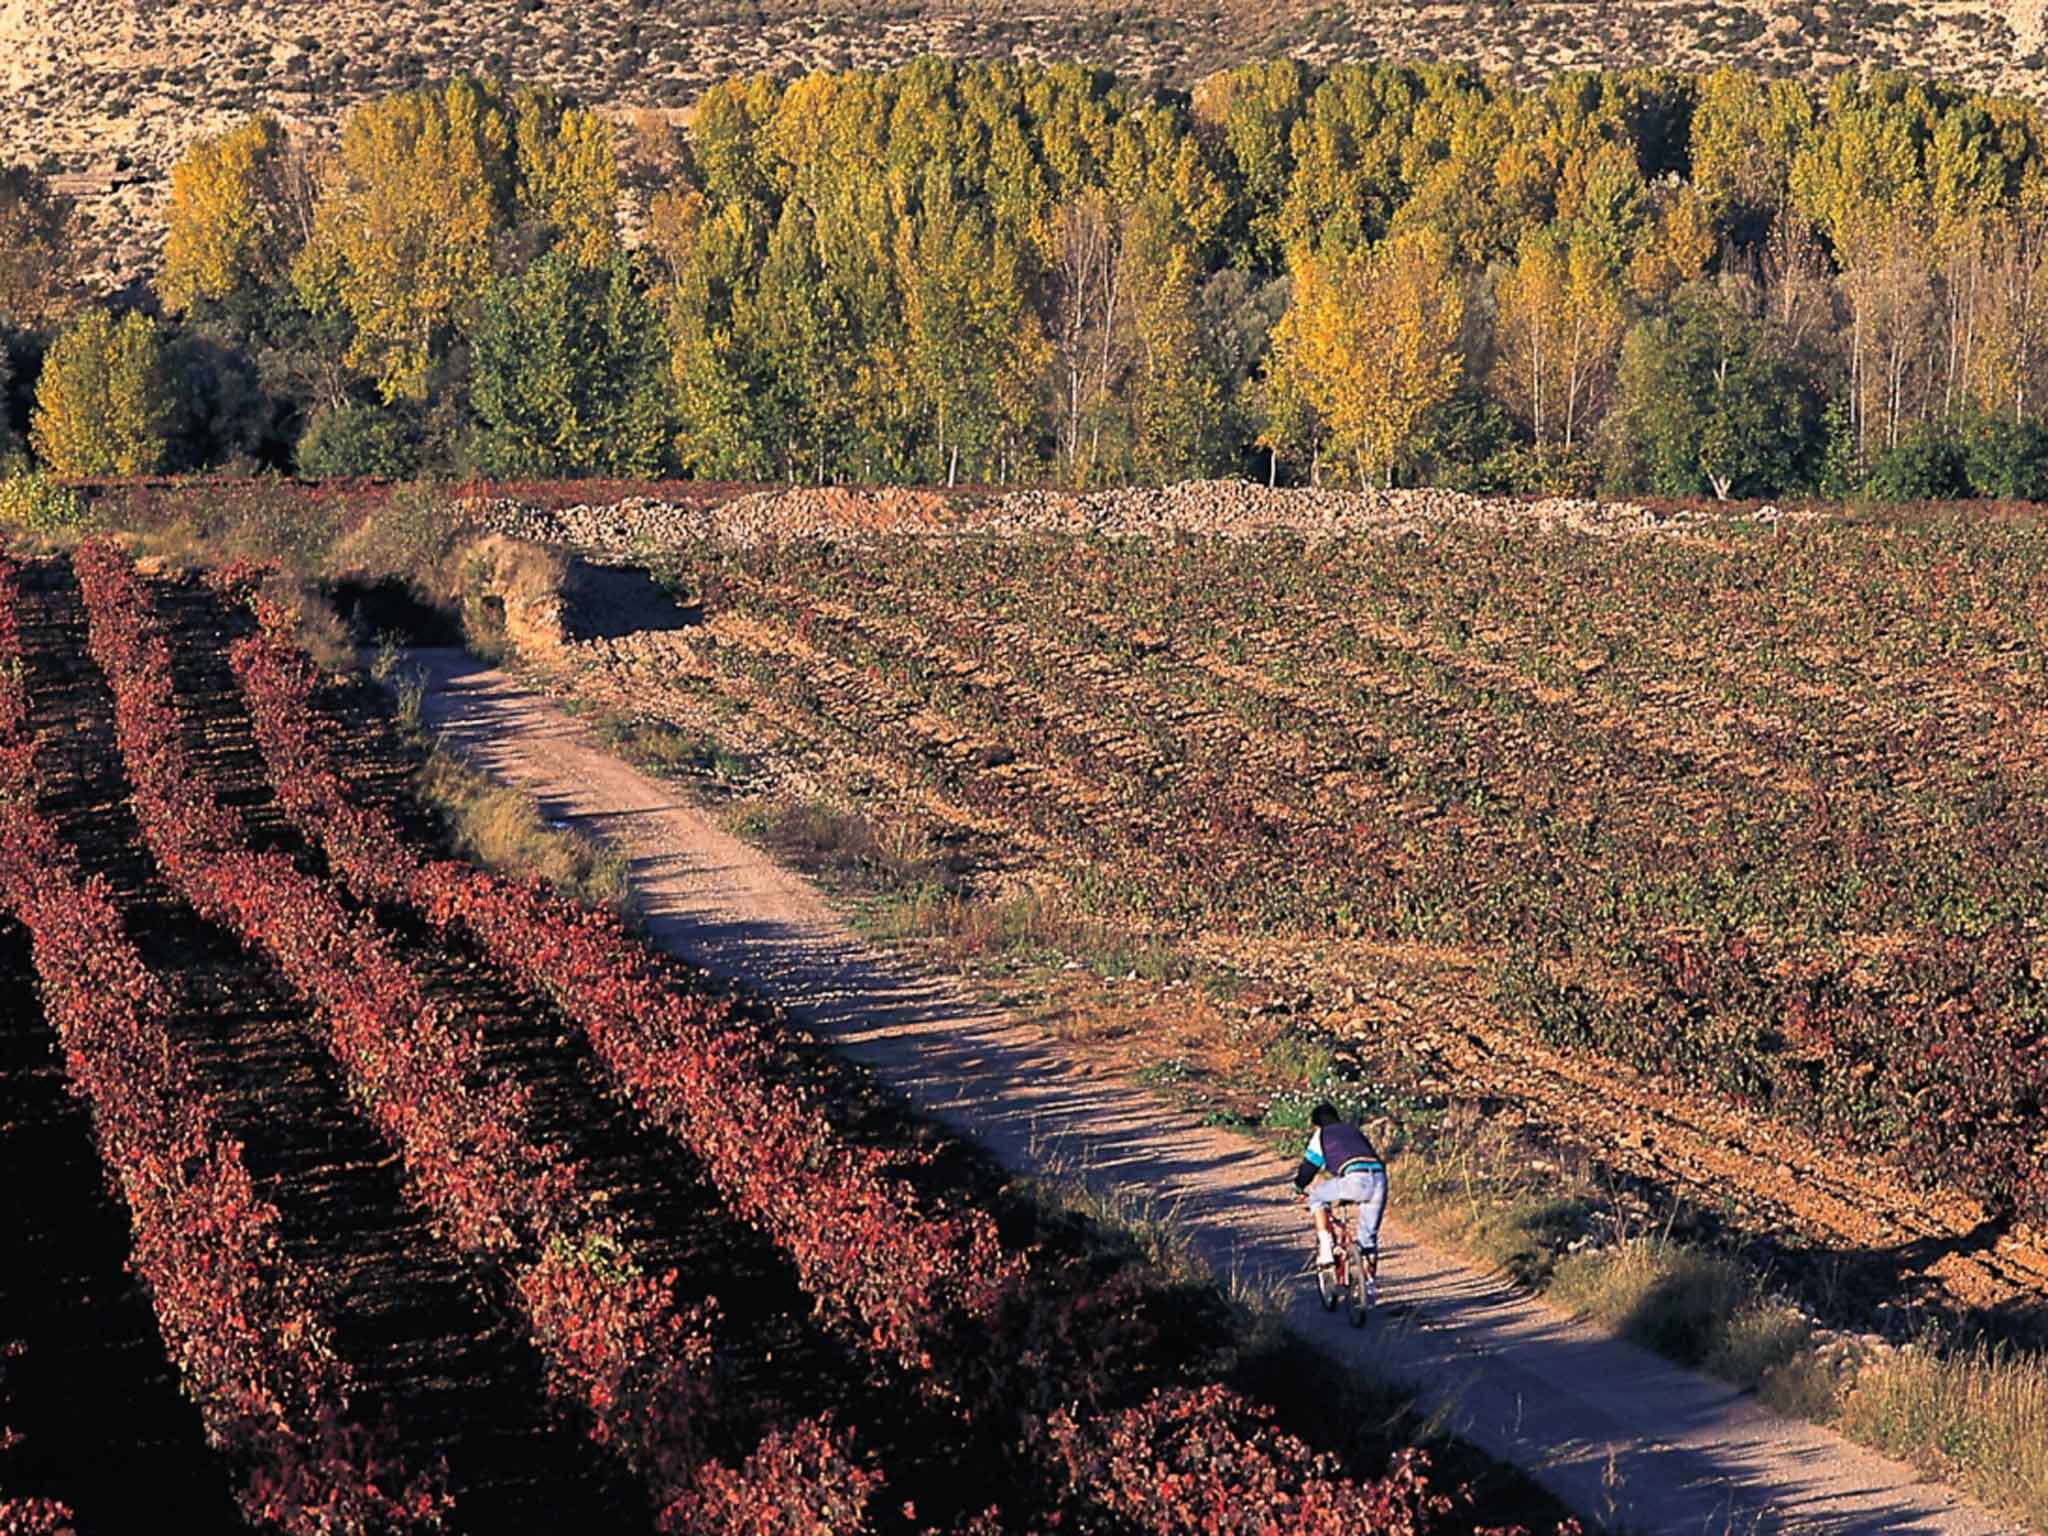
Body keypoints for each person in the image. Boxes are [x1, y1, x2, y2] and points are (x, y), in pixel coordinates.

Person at [1291, 1102, 1387, 1282]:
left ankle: (1326, 1248)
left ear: (1316, 1124)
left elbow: (1310, 1166)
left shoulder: (1322, 1135)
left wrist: (1298, 1186)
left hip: (1355, 1179)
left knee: (1317, 1196)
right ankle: (1369, 1290)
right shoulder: (1353, 1130)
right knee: (1368, 1240)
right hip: (1380, 1179)